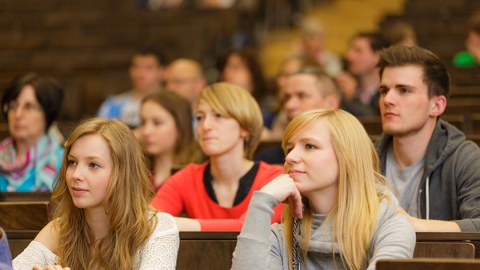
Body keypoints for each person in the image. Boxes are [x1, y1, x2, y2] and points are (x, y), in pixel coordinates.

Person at [232, 109, 416, 270]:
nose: (291, 157)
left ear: (347, 157)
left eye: (310, 146)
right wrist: (262, 201)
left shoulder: (390, 228)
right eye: (289, 149)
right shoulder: (281, 235)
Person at [13, 118, 179, 269]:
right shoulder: (59, 229)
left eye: (93, 165)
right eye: (72, 162)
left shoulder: (157, 228)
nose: (76, 175)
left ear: (123, 174)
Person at [150, 83, 284, 231]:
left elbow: (249, 227)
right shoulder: (187, 177)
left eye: (218, 116)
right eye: (200, 117)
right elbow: (150, 220)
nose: (205, 126)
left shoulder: (274, 180)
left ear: (245, 128)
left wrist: (174, 224)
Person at [375, 45, 480, 232]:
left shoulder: (465, 158)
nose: (388, 99)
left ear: (437, 105)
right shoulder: (365, 159)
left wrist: (412, 225)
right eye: (384, 90)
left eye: (404, 90)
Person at [256, 67, 340, 164]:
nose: (289, 105)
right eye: (287, 98)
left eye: (302, 96)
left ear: (331, 103)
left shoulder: (352, 151)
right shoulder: (266, 160)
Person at [0, 73, 64, 192]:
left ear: (47, 113)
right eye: (13, 106)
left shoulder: (65, 162)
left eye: (28, 107)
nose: (18, 114)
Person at [138, 91, 203, 190]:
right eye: (143, 122)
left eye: (157, 123)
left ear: (180, 126)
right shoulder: (137, 171)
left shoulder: (197, 174)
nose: (146, 131)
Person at [97, 47, 166, 128]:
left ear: (163, 71)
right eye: (136, 66)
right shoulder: (113, 104)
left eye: (148, 68)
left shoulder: (171, 104)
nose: (140, 73)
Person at [343, 32, 390, 116]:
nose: (349, 56)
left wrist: (353, 98)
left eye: (358, 51)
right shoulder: (344, 89)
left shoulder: (388, 93)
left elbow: (376, 122)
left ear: (377, 56)